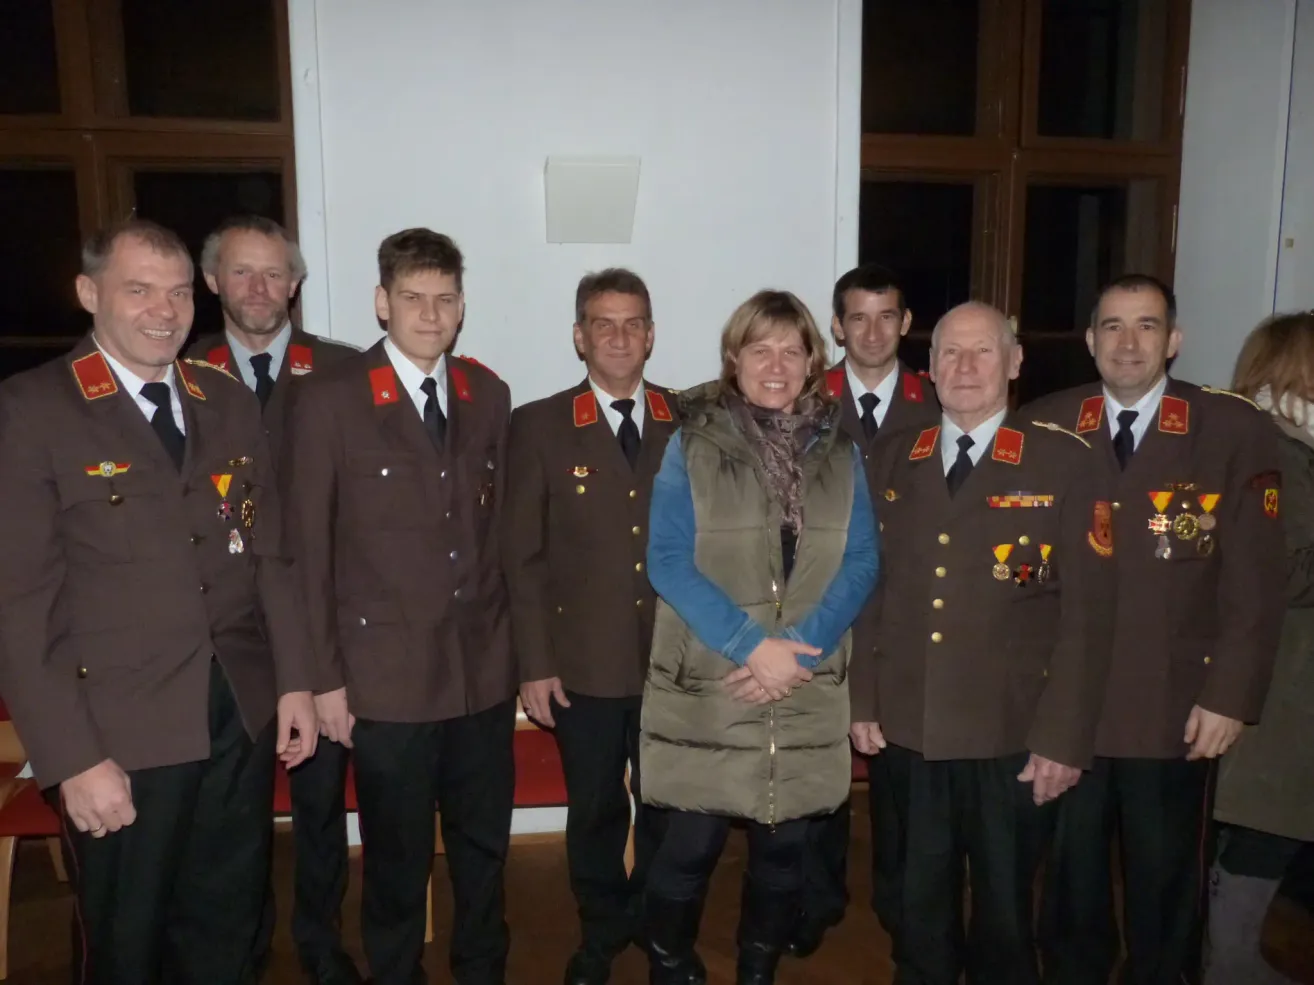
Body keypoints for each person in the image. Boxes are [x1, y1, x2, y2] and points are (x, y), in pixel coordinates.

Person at [0, 218, 318, 984]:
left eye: (177, 291)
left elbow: (268, 551)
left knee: (227, 922)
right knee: (127, 941)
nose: (163, 309)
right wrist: (72, 757)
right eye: (137, 289)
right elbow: (20, 603)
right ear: (88, 293)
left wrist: (297, 680)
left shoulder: (225, 399)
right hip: (118, 730)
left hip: (235, 712)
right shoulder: (35, 407)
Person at [1028, 274, 1286, 985]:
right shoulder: (1047, 423)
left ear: (1174, 340)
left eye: (1147, 325)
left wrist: (1231, 695)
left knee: (1167, 885)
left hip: (1176, 706)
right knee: (1072, 883)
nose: (1129, 342)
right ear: (1089, 340)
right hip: (1070, 706)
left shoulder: (1230, 428)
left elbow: (1256, 583)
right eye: (1112, 325)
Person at [850, 300, 1115, 985]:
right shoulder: (892, 457)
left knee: (1004, 917)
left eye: (983, 352)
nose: (965, 367)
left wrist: (1064, 737)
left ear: (1015, 362)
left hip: (1012, 733)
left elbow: (1089, 615)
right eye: (950, 353)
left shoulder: (1064, 461)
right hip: (910, 727)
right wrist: (862, 699)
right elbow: (869, 587)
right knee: (915, 907)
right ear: (929, 367)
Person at [282, 228, 515, 985]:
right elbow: (306, 554)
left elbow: (493, 535)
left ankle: (482, 968)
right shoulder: (329, 401)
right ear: (382, 302)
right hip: (385, 678)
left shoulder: (488, 395)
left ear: (462, 307)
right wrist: (324, 681)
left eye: (445, 299)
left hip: (479, 672)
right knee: (396, 854)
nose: (430, 312)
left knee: (483, 846)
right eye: (413, 297)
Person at [640, 289, 879, 985]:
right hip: (713, 681)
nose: (775, 364)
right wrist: (754, 646)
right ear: (733, 359)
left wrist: (798, 647)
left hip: (804, 680)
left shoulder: (842, 451)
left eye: (791, 349)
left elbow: (863, 559)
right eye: (759, 348)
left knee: (785, 853)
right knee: (687, 847)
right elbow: (668, 559)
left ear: (812, 361)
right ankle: (671, 960)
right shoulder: (691, 443)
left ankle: (756, 967)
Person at [186, 214, 360, 984]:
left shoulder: (350, 371)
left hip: (322, 628)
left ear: (296, 285)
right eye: (241, 272)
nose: (259, 288)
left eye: (274, 273)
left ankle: (321, 942)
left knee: (321, 805)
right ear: (214, 282)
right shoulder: (180, 371)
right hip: (224, 640)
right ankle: (242, 948)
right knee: (233, 815)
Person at [502, 268, 678, 985]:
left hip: (676, 662)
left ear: (651, 334)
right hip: (584, 663)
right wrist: (534, 663)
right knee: (598, 808)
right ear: (579, 335)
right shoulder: (540, 424)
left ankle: (664, 929)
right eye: (603, 323)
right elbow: (522, 556)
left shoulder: (689, 420)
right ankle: (603, 930)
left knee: (671, 807)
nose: (619, 335)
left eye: (633, 321)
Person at [788, 263, 942, 958]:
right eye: (858, 316)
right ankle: (815, 898)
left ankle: (903, 900)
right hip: (824, 609)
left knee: (902, 775)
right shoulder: (798, 400)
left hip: (912, 614)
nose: (873, 331)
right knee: (817, 766)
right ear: (837, 325)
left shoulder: (942, 401)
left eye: (888, 316)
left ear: (907, 324)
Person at [1205, 311, 1314, 984]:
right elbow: (1279, 568)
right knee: (1265, 823)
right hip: (1281, 675)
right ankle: (1229, 960)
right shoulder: (1277, 452)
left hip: (1285, 671)